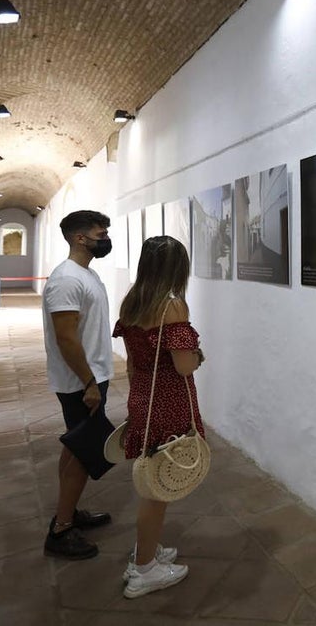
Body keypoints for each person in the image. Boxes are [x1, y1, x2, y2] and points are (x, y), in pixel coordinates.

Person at [113, 235, 206, 598]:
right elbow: (184, 366)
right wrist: (198, 355)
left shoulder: (133, 301)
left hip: (143, 397)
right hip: (168, 401)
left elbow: (133, 363)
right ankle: (144, 570)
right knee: (158, 487)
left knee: (154, 478)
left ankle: (147, 549)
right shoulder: (172, 307)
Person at [42, 210, 115, 559]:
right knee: (84, 453)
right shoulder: (66, 280)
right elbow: (66, 339)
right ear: (79, 238)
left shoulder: (86, 274)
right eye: (100, 234)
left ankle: (69, 512)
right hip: (79, 382)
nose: (105, 239)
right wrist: (89, 382)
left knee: (75, 447)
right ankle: (61, 530)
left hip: (90, 377)